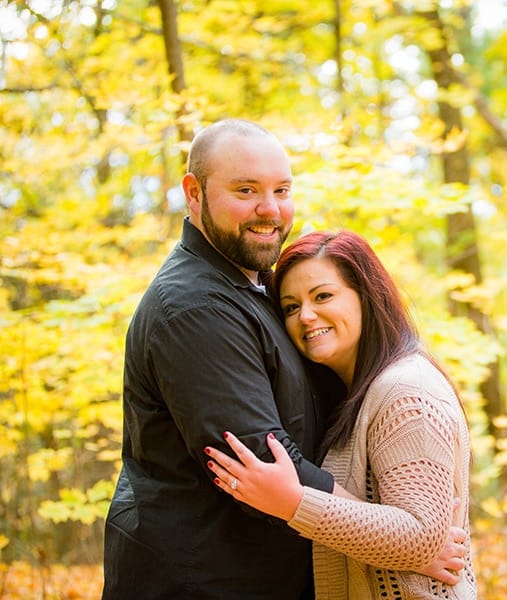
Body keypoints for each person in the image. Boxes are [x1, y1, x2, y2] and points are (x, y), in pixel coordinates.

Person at [102, 119, 462, 599]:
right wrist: (404, 542)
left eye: (282, 189)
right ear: (194, 193)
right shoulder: (197, 307)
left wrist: (406, 536)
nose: (268, 209)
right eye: (246, 189)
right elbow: (264, 464)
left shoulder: (256, 288)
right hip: (204, 582)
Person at [205, 230, 478, 599]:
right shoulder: (357, 395)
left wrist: (293, 502)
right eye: (290, 306)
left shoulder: (406, 392)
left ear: (367, 295)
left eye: (323, 296)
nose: (305, 315)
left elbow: (422, 536)